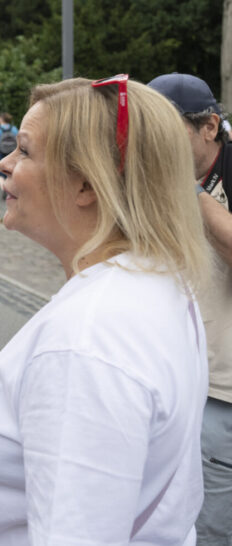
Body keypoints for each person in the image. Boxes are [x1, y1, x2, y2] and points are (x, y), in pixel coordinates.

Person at [0, 76, 212, 545]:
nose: (5, 163)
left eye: (27, 151)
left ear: (85, 184)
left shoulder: (88, 338)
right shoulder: (158, 283)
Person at [149, 72, 232, 546]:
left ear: (210, 127)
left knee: (211, 529)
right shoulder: (155, 181)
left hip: (222, 393)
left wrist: (191, 193)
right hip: (176, 382)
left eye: (170, 130)